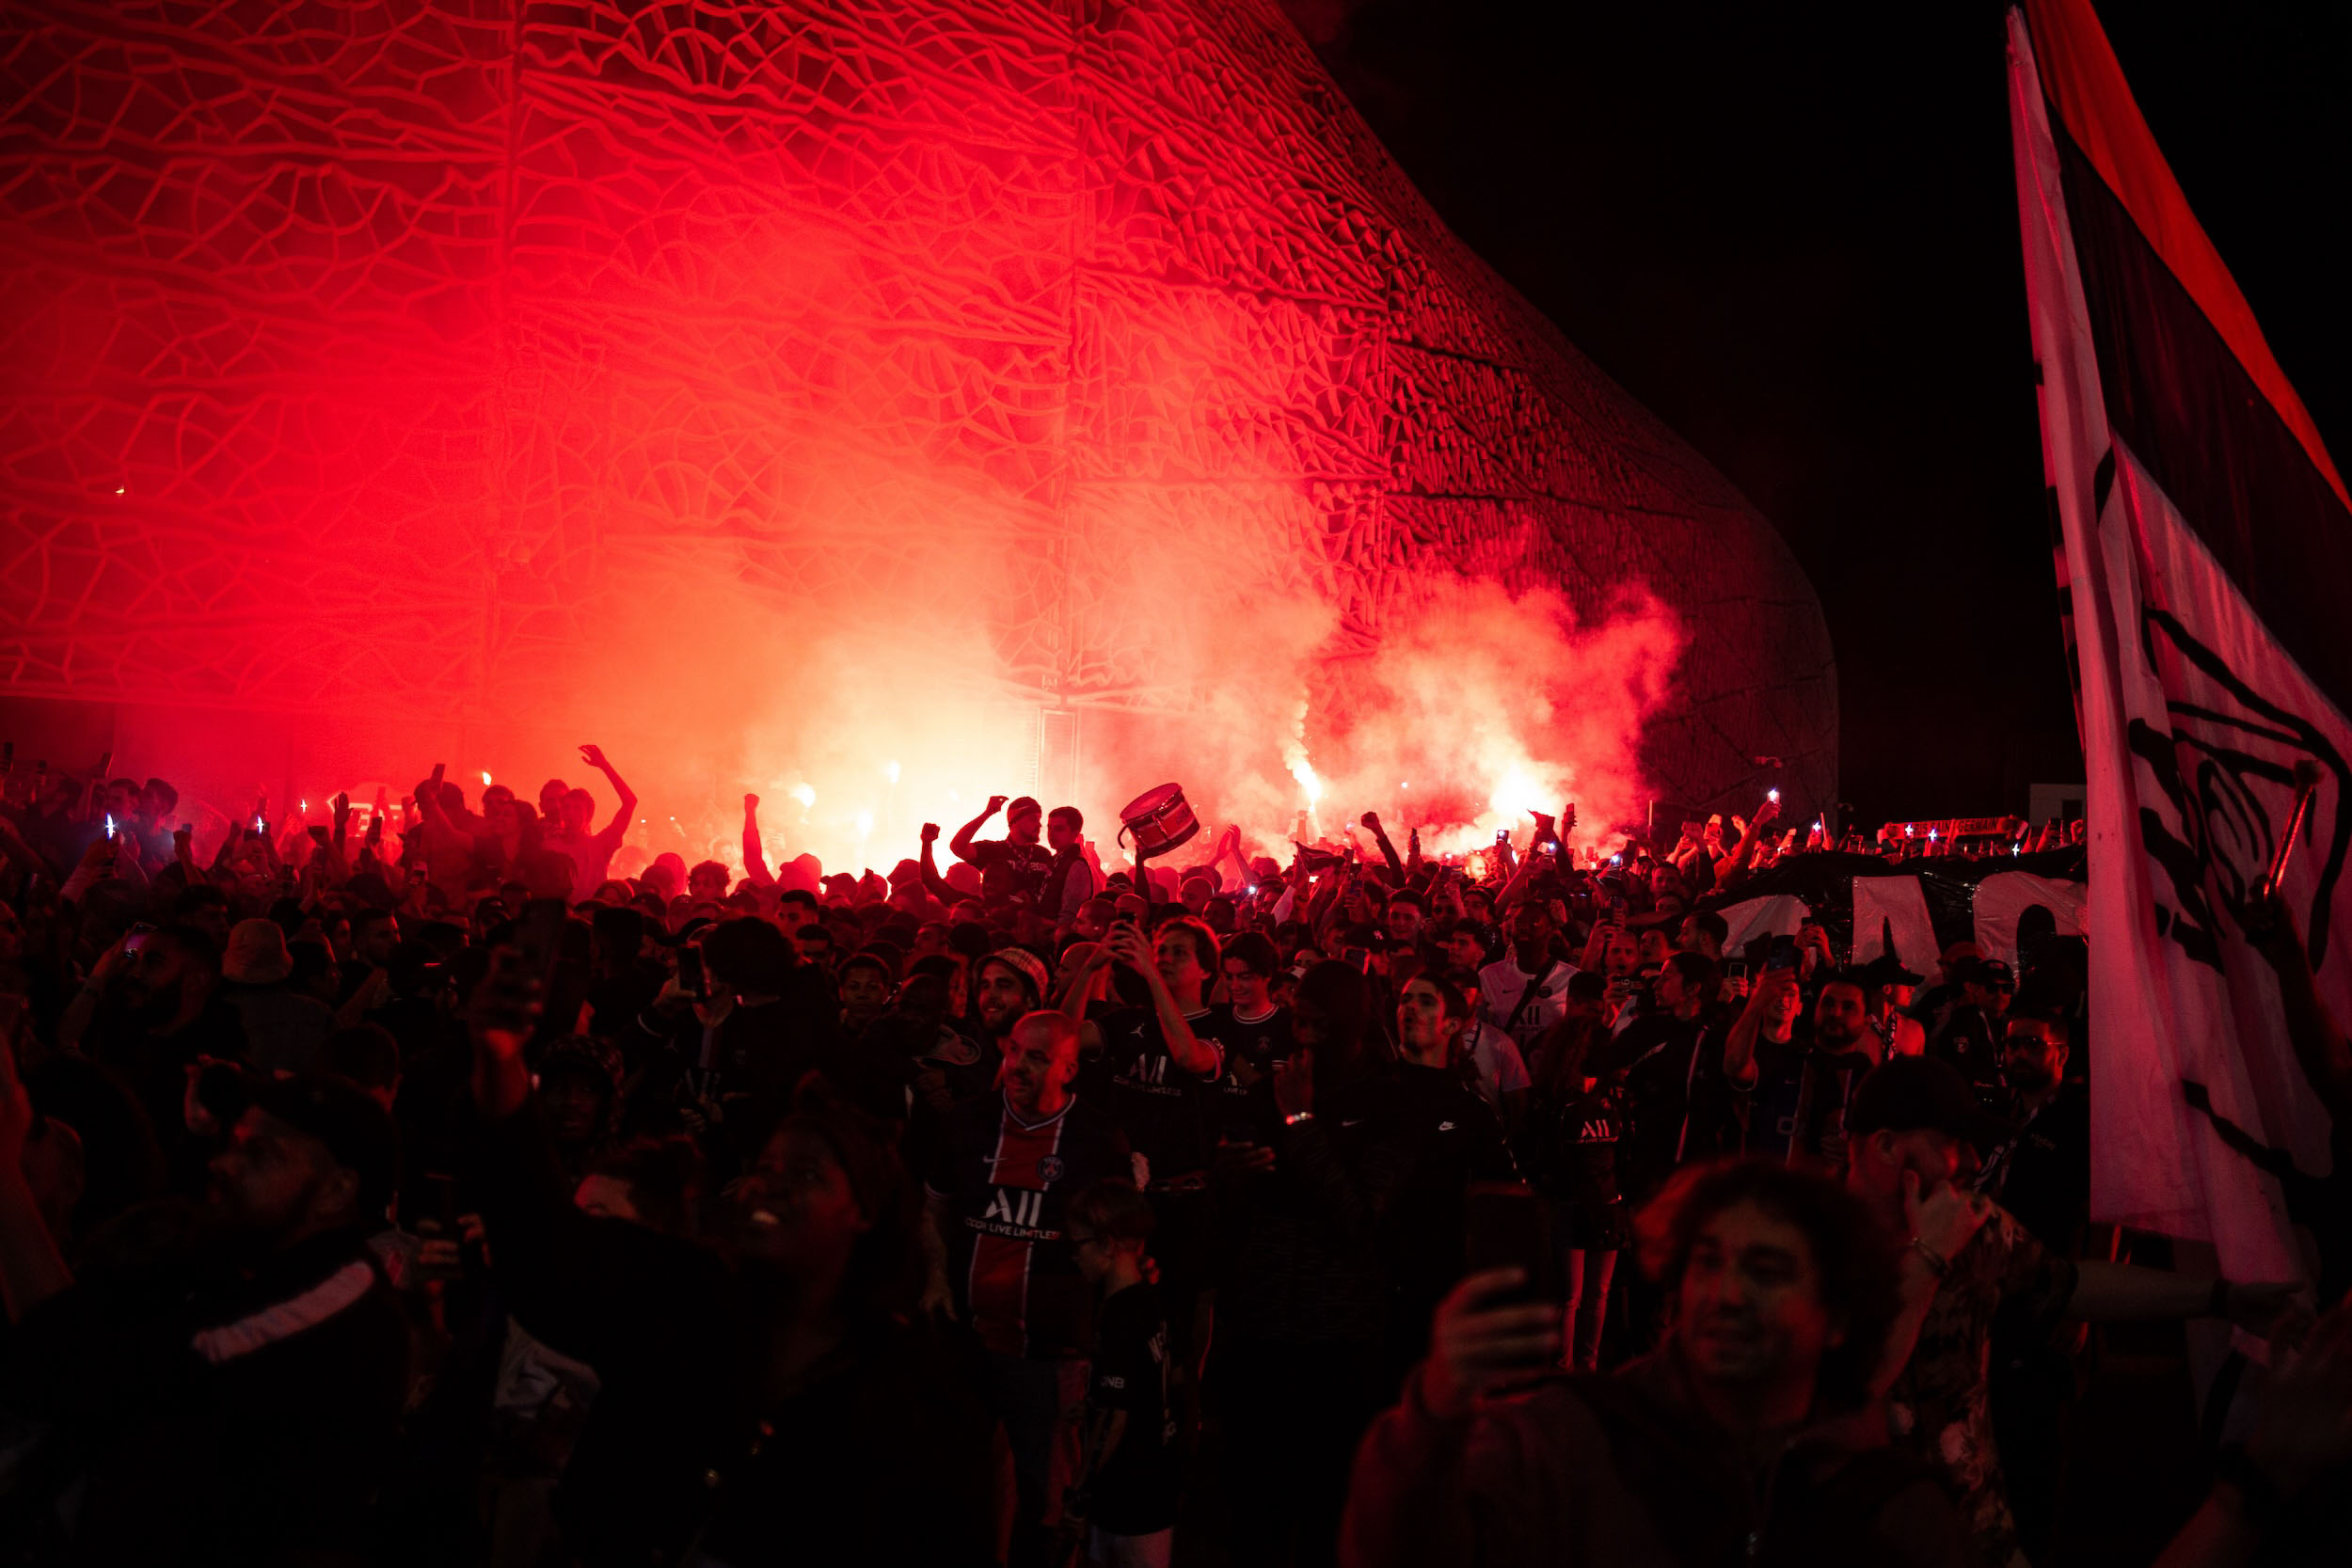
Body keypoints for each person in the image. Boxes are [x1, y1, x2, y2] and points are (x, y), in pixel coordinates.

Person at [467, 957, 998, 1566]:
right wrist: (501, 1062)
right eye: (764, 1169)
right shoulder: (685, 1296)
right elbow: (546, 1259)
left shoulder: (917, 1394)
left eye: (802, 1173)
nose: (769, 1186)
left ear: (866, 1211)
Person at [1342, 1158, 1966, 1568]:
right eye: (1708, 1262)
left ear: (1836, 1314)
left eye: (1767, 1271)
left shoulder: (1896, 1510)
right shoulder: (1570, 1439)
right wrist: (1435, 1413)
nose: (1728, 1294)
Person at [1843, 1055, 2310, 1568]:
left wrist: (2221, 1299)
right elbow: (1850, 1386)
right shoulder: (1806, 1248)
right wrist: (1928, 1257)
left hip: (1978, 1537)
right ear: (1887, 1146)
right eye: (1951, 1143)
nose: (1975, 1162)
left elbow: (2067, 1284)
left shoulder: (1970, 1231)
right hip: (1857, 1540)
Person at [0, 1061, 409, 1563]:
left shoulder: (336, 1302)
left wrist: (5, 1168)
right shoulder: (240, 1261)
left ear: (336, 1190)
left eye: (259, 1153)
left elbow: (82, 1368)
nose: (225, 1163)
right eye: (232, 1144)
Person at [924, 1011, 1133, 1566]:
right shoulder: (969, 1123)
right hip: (966, 1342)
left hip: (1049, 1353)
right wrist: (938, 1280)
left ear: (1069, 1068)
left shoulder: (1093, 1138)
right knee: (962, 1484)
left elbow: (1119, 1246)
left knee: (1047, 1498)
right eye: (1014, 1050)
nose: (1017, 1065)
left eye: (1037, 1057)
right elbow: (935, 1209)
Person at [1066, 1178, 1180, 1568]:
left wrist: (1079, 1492)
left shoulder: (1120, 1316)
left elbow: (1117, 1415)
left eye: (1078, 1244)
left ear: (1108, 1244)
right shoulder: (1149, 1302)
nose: (1073, 1256)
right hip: (1155, 1484)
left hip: (1130, 1496)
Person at [538, 744, 638, 902]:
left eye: (577, 808)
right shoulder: (548, 846)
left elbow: (630, 802)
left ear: (589, 815)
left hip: (591, 916)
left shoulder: (601, 844)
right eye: (567, 807)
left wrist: (604, 766)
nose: (570, 812)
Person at [1477, 902, 1576, 1055]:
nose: (1524, 928)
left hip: (1549, 1072)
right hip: (1501, 1068)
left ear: (1550, 931)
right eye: (1518, 923)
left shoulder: (1571, 978)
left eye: (1533, 923)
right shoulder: (1489, 976)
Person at [951, 794, 1057, 915]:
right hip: (998, 926)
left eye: (1039, 819)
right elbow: (957, 846)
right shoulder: (993, 850)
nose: (1039, 825)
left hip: (1033, 926)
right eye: (1033, 819)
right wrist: (987, 813)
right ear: (1015, 822)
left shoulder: (1043, 854)